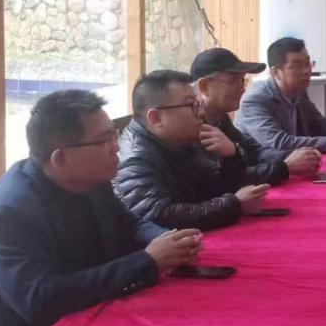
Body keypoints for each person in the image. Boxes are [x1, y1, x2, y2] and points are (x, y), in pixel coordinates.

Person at [0, 90, 203, 326]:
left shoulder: (90, 180)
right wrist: (148, 261)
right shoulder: (5, 212)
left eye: (113, 135)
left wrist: (166, 239)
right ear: (60, 158)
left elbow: (131, 224)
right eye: (103, 141)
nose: (117, 147)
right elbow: (41, 299)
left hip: (96, 322)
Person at [115, 70, 270, 230]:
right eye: (191, 105)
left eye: (198, 104)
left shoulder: (179, 140)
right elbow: (160, 216)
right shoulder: (134, 158)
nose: (200, 112)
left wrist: (231, 156)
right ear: (156, 118)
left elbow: (212, 188)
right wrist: (234, 205)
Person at [191, 47, 322, 184]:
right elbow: (220, 181)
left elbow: (252, 152)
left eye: (243, 80)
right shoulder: (190, 128)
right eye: (233, 81)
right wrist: (285, 167)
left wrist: (296, 156)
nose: (242, 89)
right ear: (204, 86)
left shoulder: (220, 118)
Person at [236, 37, 326, 154]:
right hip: (261, 166)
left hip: (291, 161)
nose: (307, 71)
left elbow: (320, 124)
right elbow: (279, 142)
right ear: (276, 73)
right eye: (297, 66)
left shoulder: (298, 90)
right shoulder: (255, 99)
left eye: (307, 63)